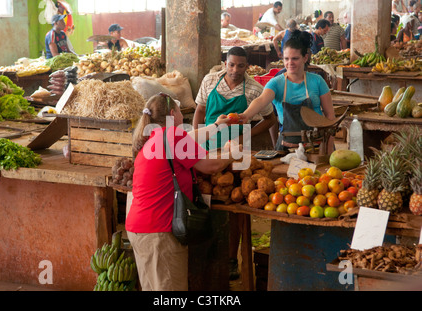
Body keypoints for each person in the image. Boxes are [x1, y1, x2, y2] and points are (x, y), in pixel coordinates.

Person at [126, 93, 237, 291]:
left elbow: (190, 138)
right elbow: (211, 166)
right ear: (172, 113)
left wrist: (219, 126)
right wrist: (232, 153)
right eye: (179, 111)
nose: (183, 116)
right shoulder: (172, 135)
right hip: (158, 232)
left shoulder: (153, 137)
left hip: (140, 229)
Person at [193, 46, 275, 279]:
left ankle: (231, 259)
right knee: (205, 200)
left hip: (236, 154)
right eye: (231, 64)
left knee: (236, 205)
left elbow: (270, 119)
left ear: (247, 66)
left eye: (240, 65)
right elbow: (199, 110)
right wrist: (198, 135)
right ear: (224, 63)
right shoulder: (210, 81)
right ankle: (205, 254)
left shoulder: (253, 89)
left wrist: (245, 135)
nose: (235, 70)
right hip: (207, 150)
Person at [239, 30, 335, 153]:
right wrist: (246, 115)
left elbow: (330, 117)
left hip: (317, 147)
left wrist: (329, 148)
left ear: (305, 58)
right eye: (286, 59)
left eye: (295, 58)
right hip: (287, 147)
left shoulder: (317, 81)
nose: (290, 63)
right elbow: (261, 100)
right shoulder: (276, 83)